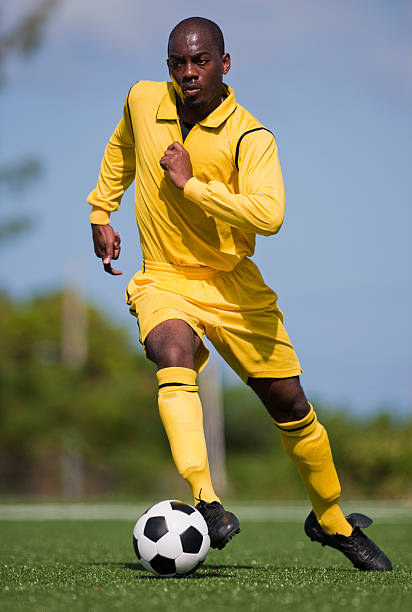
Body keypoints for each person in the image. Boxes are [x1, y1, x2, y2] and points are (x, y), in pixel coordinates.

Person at [88, 17, 392, 570]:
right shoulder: (141, 99)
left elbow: (269, 215)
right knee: (170, 352)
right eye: (178, 63)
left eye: (200, 61)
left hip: (233, 286)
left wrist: (190, 184)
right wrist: (101, 210)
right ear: (167, 67)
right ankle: (206, 500)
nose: (188, 73)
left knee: (291, 406)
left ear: (224, 64)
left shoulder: (251, 136)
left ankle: (331, 520)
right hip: (163, 277)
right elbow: (121, 148)